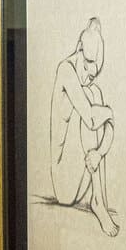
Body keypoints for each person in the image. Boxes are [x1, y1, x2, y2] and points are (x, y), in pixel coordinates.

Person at [48, 17, 119, 236]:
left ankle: (99, 198)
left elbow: (108, 127)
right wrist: (110, 113)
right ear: (79, 48)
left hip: (84, 168)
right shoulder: (65, 70)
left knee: (94, 93)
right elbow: (91, 119)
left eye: (93, 74)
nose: (88, 77)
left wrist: (99, 152)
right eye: (87, 69)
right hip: (64, 183)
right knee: (91, 101)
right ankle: (97, 201)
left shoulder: (90, 86)